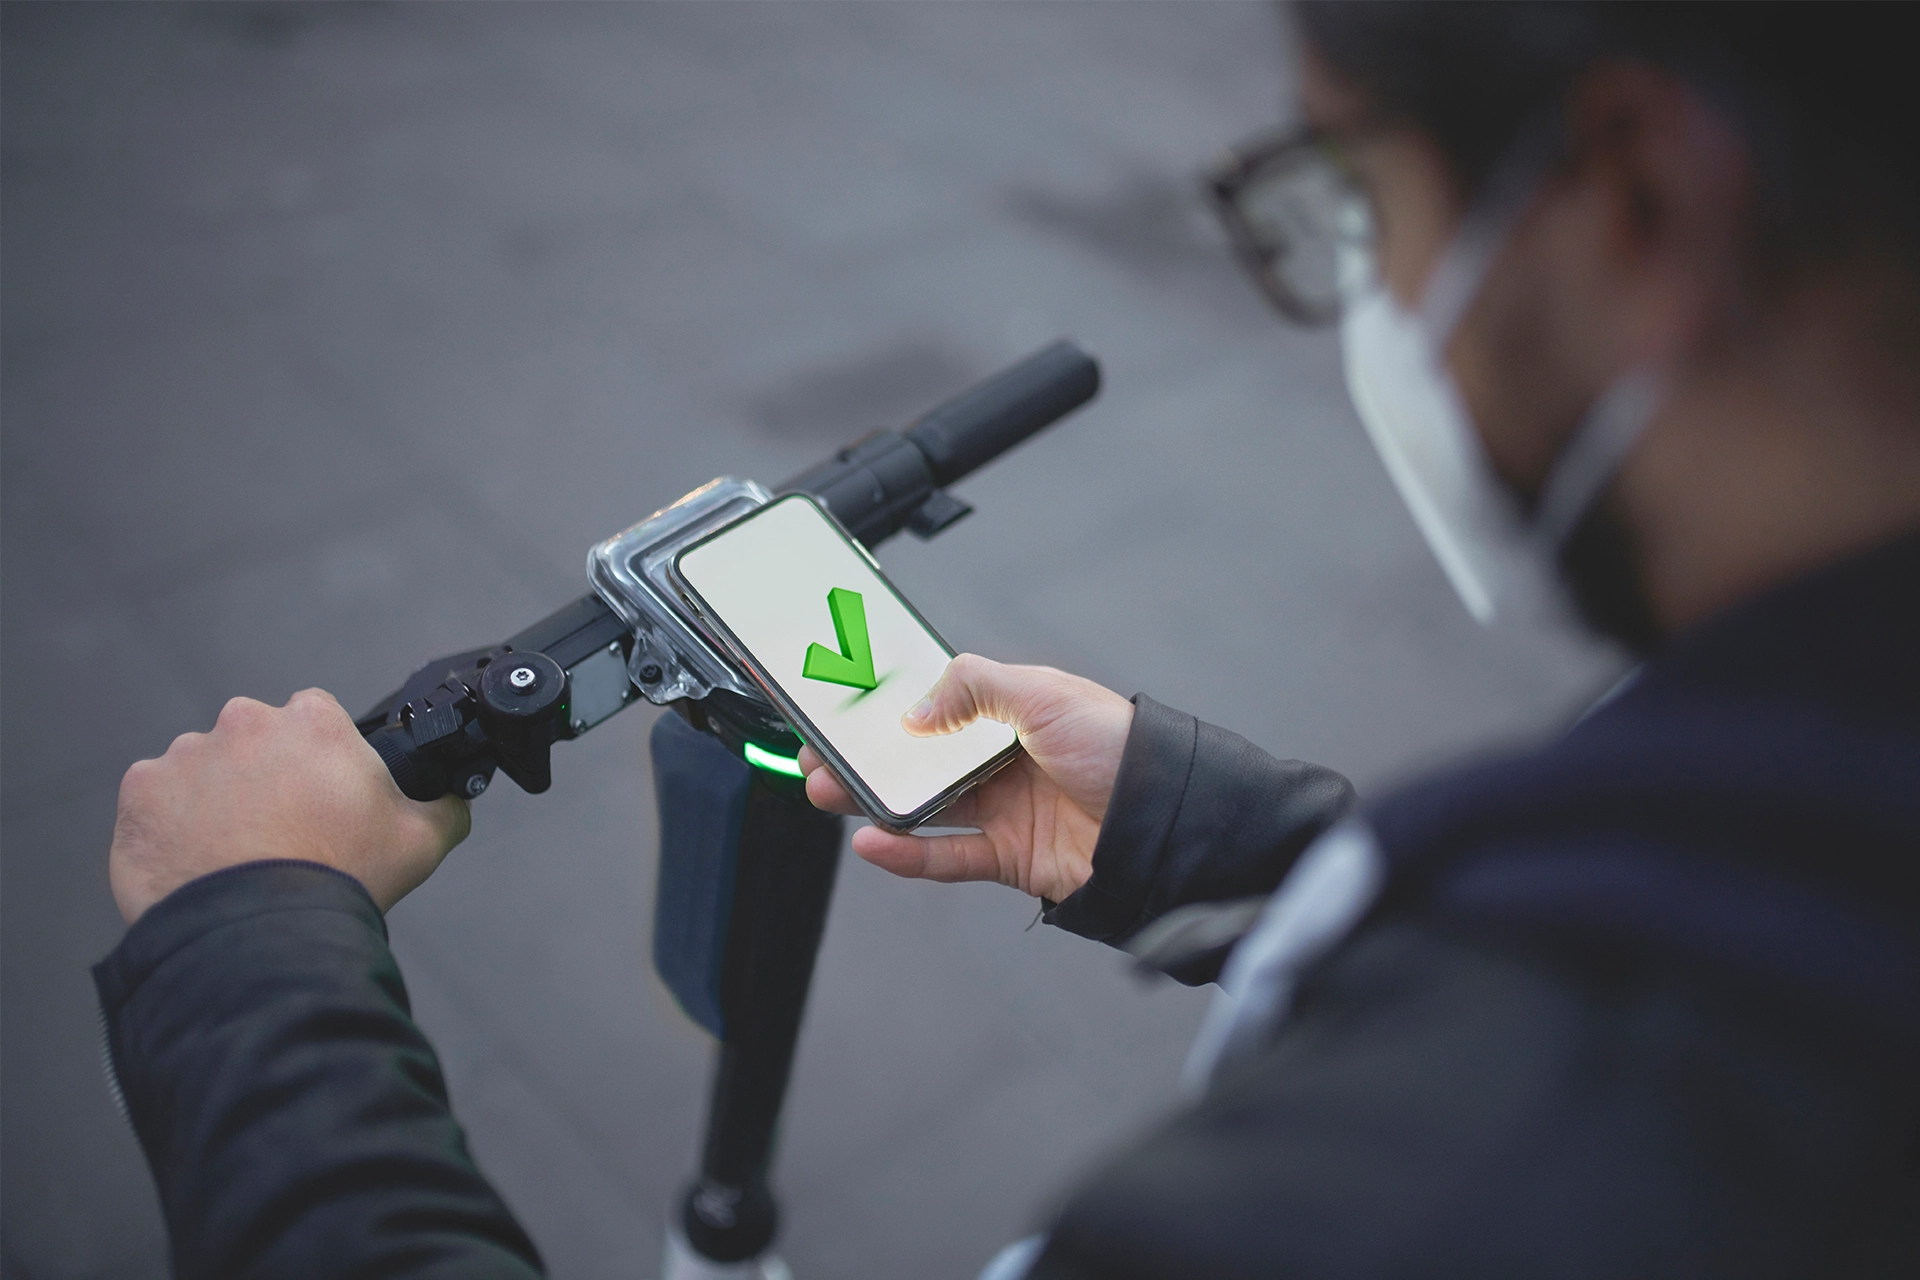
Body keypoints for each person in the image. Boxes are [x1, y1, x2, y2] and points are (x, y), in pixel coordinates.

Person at [96, 0, 1920, 1276]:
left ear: (1637, 199)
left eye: (1353, 201)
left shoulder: (1441, 1190)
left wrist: (246, 952)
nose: (1370, 302)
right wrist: (1187, 831)